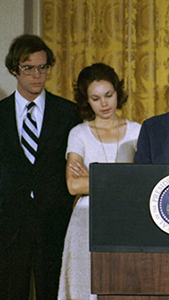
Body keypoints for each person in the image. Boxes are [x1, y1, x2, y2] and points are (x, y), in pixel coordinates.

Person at [0, 34, 81, 299]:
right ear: (14, 69)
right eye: (28, 68)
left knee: (52, 292)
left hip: (54, 221)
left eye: (42, 67)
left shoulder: (68, 113)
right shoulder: (0, 114)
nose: (37, 75)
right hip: (10, 224)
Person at [57, 63, 141, 300]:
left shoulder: (137, 131)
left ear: (118, 93)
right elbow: (73, 185)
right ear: (86, 100)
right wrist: (122, 179)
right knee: (85, 290)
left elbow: (142, 184)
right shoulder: (79, 133)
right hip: (86, 221)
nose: (104, 104)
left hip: (127, 221)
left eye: (108, 95)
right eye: (95, 98)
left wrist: (92, 178)